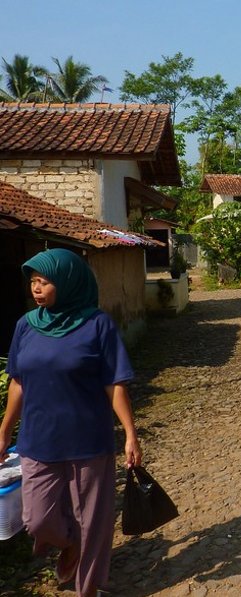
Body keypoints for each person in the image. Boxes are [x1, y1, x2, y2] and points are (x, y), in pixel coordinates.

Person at [0, 248, 142, 597]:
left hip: (89, 440)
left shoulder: (98, 325)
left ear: (68, 283)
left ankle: (88, 588)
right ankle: (69, 542)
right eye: (33, 282)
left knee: (93, 521)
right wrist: (3, 432)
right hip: (38, 440)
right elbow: (17, 382)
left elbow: (115, 384)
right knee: (37, 519)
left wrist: (130, 434)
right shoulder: (25, 326)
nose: (36, 289)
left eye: (44, 282)